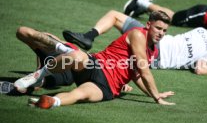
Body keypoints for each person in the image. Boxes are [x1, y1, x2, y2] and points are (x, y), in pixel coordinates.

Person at [14, 10, 175, 109]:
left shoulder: (153, 51)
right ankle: (38, 75)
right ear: (148, 25)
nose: (161, 33)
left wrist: (152, 93)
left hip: (107, 87)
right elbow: (145, 72)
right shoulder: (138, 34)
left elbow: (137, 75)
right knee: (77, 56)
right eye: (158, 28)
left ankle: (49, 102)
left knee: (79, 94)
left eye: (164, 30)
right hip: (96, 65)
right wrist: (157, 98)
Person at [63, 10, 207, 76]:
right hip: (154, 55)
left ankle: (89, 36)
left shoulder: (203, 32)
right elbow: (200, 68)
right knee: (107, 63)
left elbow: (195, 50)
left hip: (154, 37)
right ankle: (70, 58)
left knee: (114, 15)